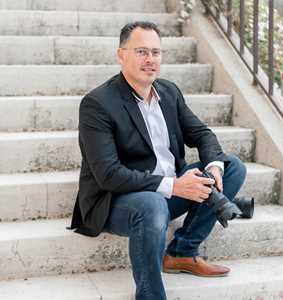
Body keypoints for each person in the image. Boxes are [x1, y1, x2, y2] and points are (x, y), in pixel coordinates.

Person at [69, 21, 247, 300]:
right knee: (151, 204)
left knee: (232, 166)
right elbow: (109, 174)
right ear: (121, 55)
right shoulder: (97, 104)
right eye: (141, 52)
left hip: (167, 190)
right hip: (116, 200)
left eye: (156, 52)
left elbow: (202, 134)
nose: (150, 60)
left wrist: (213, 167)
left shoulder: (169, 91)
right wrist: (174, 186)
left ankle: (181, 253)